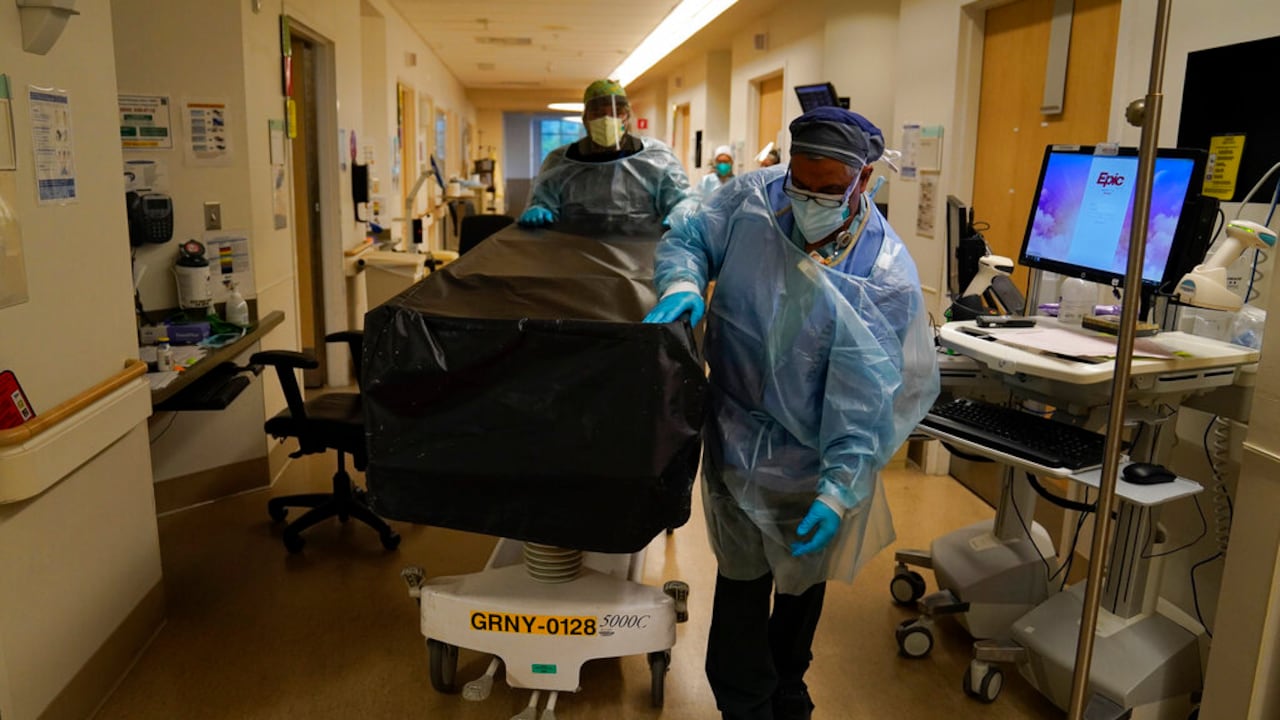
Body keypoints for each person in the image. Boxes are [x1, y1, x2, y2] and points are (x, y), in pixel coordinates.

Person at [644, 106, 940, 720]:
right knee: (742, 577)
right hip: (735, 425)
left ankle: (788, 684)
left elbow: (867, 397)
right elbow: (690, 235)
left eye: (827, 190)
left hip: (816, 451)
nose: (806, 201)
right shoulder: (752, 200)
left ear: (863, 179)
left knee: (803, 581)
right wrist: (682, 281)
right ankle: (743, 702)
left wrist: (839, 487)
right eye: (798, 183)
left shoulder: (883, 275)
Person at [518, 80, 696, 229]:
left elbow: (682, 200)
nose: (606, 119)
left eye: (617, 112)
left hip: (640, 255)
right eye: (598, 113)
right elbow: (542, 202)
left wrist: (681, 212)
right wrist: (539, 208)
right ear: (585, 118)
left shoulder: (656, 157)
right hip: (574, 252)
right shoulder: (560, 162)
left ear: (627, 117)